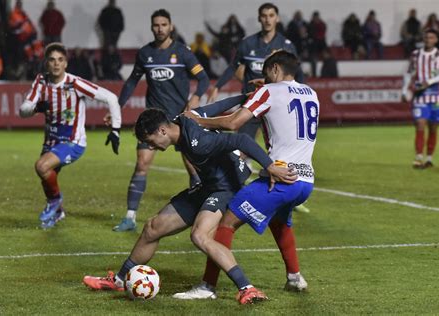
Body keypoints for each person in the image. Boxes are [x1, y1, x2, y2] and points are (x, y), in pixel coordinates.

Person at [82, 98, 296, 304]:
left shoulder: (199, 143)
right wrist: (245, 96)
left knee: (200, 235)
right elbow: (216, 106)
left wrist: (270, 166)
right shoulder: (184, 117)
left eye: (151, 142)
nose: (152, 147)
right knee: (153, 227)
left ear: (162, 131)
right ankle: (119, 280)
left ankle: (247, 289)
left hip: (227, 188)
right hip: (208, 186)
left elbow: (242, 140)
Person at [174, 51, 318, 303]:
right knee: (279, 221)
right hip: (305, 180)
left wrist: (197, 120)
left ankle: (208, 286)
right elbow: (285, 106)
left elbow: (233, 123)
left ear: (274, 69)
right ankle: (295, 277)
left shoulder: (269, 93)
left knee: (226, 222)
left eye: (265, 72)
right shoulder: (310, 93)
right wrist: (267, 89)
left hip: (280, 176)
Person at [111, 9, 209, 232]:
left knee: (193, 167)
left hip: (179, 120)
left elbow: (203, 78)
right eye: (156, 25)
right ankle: (130, 217)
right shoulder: (145, 53)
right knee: (142, 164)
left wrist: (195, 98)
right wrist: (117, 107)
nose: (160, 28)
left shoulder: (183, 52)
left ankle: (199, 212)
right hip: (153, 121)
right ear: (151, 27)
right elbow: (131, 82)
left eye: (164, 24)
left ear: (171, 26)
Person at [19, 42, 122, 229]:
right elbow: (23, 110)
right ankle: (59, 212)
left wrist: (115, 130)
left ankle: (54, 202)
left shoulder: (75, 83)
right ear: (46, 63)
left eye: (60, 60)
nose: (56, 64)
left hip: (73, 142)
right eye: (52, 60)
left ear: (66, 63)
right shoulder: (41, 81)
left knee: (42, 166)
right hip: (50, 141)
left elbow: (111, 98)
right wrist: (35, 108)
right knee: (47, 174)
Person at [208, 3, 302, 151]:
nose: (267, 20)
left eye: (271, 16)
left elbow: (296, 75)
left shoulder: (287, 46)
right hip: (252, 100)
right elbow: (233, 66)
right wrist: (217, 86)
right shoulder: (247, 43)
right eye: (264, 16)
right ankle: (245, 163)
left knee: (280, 148)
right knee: (240, 145)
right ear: (259, 18)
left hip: (277, 104)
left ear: (277, 18)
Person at [401, 29, 439, 168]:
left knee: (433, 128)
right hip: (420, 97)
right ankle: (418, 157)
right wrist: (404, 90)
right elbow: (409, 73)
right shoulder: (415, 55)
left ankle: (429, 158)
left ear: (436, 40)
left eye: (431, 37)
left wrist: (428, 82)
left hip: (437, 96)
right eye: (426, 37)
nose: (428, 40)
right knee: (420, 124)